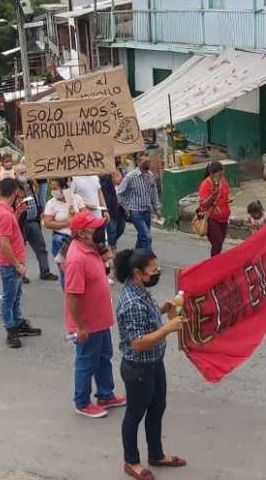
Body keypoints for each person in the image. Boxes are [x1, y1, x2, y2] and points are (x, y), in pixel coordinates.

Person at [115, 249, 187, 480]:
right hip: (139, 368)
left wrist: (162, 310)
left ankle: (156, 454)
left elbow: (145, 320)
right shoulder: (131, 300)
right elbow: (137, 343)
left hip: (154, 363)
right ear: (138, 273)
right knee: (135, 415)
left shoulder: (141, 290)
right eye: (153, 270)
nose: (157, 273)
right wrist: (167, 328)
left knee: (157, 408)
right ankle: (131, 461)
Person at [63, 211, 126, 418]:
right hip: (87, 324)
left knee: (103, 358)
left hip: (100, 320)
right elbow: (72, 296)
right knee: (86, 362)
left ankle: (105, 395)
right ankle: (81, 402)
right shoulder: (76, 259)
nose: (100, 230)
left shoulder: (91, 249)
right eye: (95, 228)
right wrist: (80, 326)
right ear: (82, 232)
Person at [0, 177, 42, 348]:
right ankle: (11, 329)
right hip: (11, 264)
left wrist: (17, 213)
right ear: (14, 192)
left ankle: (17, 323)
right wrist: (17, 265)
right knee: (9, 298)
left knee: (15, 296)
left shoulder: (1, 208)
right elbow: (4, 243)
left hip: (13, 262)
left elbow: (7, 232)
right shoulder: (4, 214)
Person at [15, 164, 58, 281]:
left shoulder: (30, 184)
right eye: (21, 173)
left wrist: (32, 179)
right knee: (19, 250)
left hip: (33, 220)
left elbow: (37, 190)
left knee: (41, 247)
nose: (24, 175)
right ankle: (21, 274)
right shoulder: (15, 187)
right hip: (20, 223)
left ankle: (45, 271)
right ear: (16, 174)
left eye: (25, 172)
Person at [43, 178, 86, 288]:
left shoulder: (76, 198)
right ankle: (68, 296)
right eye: (51, 189)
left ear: (63, 188)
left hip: (78, 238)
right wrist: (66, 222)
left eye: (55, 188)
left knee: (79, 269)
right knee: (65, 271)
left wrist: (76, 217)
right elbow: (47, 223)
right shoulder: (51, 203)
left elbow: (86, 217)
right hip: (61, 239)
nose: (53, 191)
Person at [117, 155, 162, 252]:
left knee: (142, 236)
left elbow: (153, 193)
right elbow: (119, 193)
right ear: (138, 162)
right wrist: (126, 207)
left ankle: (135, 256)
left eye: (149, 161)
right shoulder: (131, 176)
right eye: (145, 161)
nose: (148, 163)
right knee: (147, 237)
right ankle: (149, 260)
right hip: (135, 212)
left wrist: (157, 209)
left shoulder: (150, 175)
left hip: (147, 211)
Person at [198, 161, 231, 257]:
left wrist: (227, 200)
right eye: (219, 175)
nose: (221, 177)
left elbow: (225, 194)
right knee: (217, 243)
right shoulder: (205, 185)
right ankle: (213, 265)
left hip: (223, 216)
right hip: (211, 217)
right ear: (212, 174)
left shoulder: (223, 181)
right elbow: (203, 204)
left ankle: (215, 263)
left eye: (222, 175)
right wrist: (213, 196)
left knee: (219, 244)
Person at [100, 159, 127, 255]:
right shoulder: (105, 177)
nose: (118, 178)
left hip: (120, 208)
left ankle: (112, 243)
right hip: (110, 208)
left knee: (121, 227)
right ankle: (112, 248)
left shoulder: (122, 170)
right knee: (112, 229)